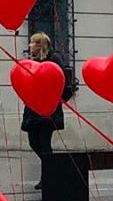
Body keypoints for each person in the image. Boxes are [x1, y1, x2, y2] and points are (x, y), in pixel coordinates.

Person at [20, 31, 75, 161]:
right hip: (33, 109)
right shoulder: (30, 61)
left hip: (48, 110)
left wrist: (56, 101)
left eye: (32, 43)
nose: (29, 46)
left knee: (44, 145)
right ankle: (52, 172)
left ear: (39, 45)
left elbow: (64, 82)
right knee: (33, 143)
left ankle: (50, 177)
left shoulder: (54, 59)